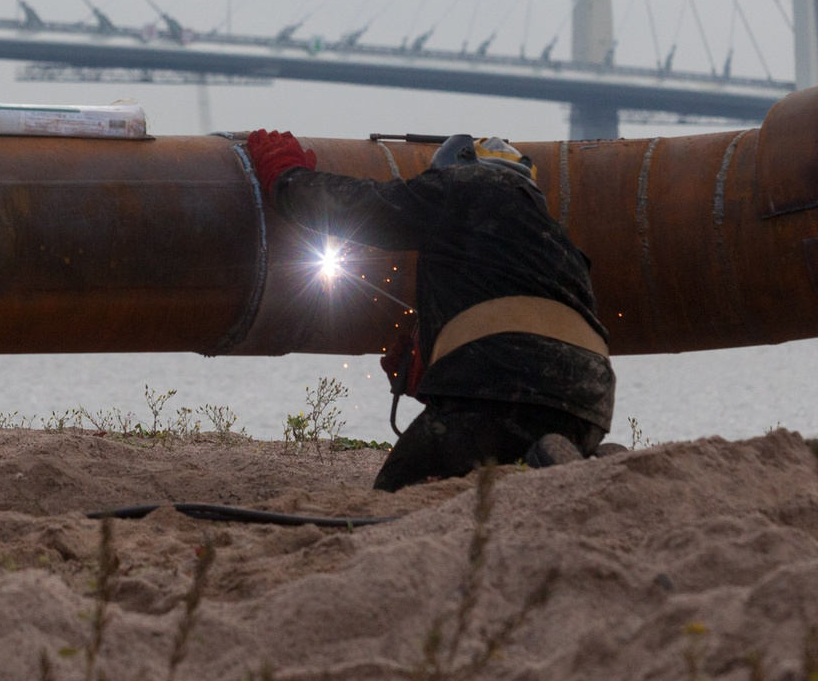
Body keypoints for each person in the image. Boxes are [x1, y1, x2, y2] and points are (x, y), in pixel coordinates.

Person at [243, 129, 612, 490]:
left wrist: (289, 178)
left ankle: (542, 462)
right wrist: (441, 368)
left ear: (458, 167)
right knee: (503, 454)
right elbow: (524, 315)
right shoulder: (559, 241)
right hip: (586, 404)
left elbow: (363, 207)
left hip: (501, 394)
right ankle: (571, 462)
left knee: (399, 488)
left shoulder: (462, 189)